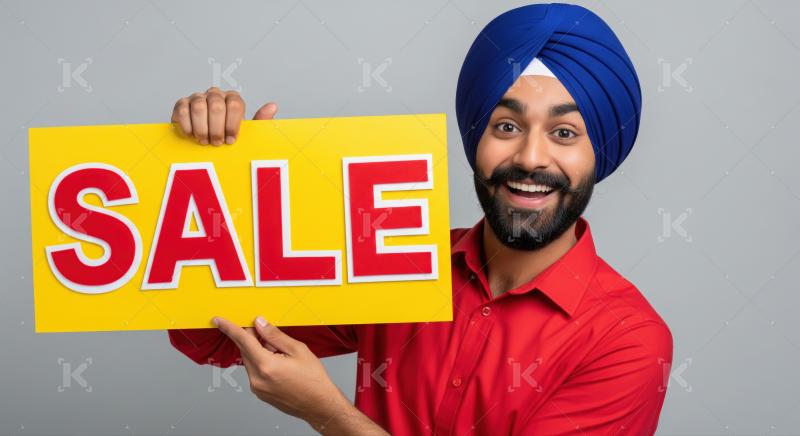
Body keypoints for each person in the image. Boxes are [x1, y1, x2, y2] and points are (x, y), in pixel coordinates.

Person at [167, 3, 673, 435]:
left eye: (564, 133)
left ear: (599, 152)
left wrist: (331, 417)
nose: (530, 157)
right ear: (476, 138)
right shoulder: (398, 255)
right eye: (507, 125)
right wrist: (223, 181)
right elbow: (216, 339)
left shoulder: (627, 341)